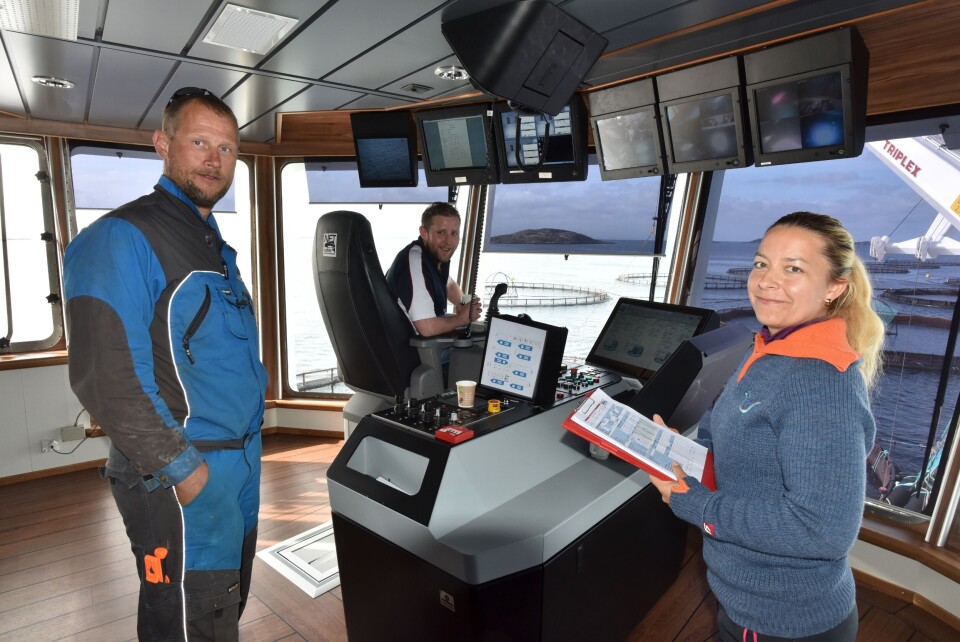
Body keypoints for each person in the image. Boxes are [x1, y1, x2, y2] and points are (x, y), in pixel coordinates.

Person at [63, 87, 268, 641]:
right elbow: (108, 381)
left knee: (222, 607)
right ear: (163, 144)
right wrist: (187, 474)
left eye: (227, 149)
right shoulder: (120, 238)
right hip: (179, 472)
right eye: (199, 142)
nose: (214, 160)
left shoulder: (212, 246)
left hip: (239, 465)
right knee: (183, 618)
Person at [650, 212, 885, 642]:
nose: (766, 281)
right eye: (761, 263)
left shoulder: (820, 381)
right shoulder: (770, 345)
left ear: (834, 287)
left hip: (781, 620)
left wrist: (696, 504)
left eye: (793, 269)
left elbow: (823, 531)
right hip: (744, 598)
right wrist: (683, 453)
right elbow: (748, 450)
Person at [385, 201, 481, 336]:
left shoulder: (434, 258)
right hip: (416, 345)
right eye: (441, 233)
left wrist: (461, 303)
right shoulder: (415, 260)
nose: (448, 242)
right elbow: (427, 327)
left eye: (454, 233)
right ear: (424, 233)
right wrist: (462, 318)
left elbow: (448, 284)